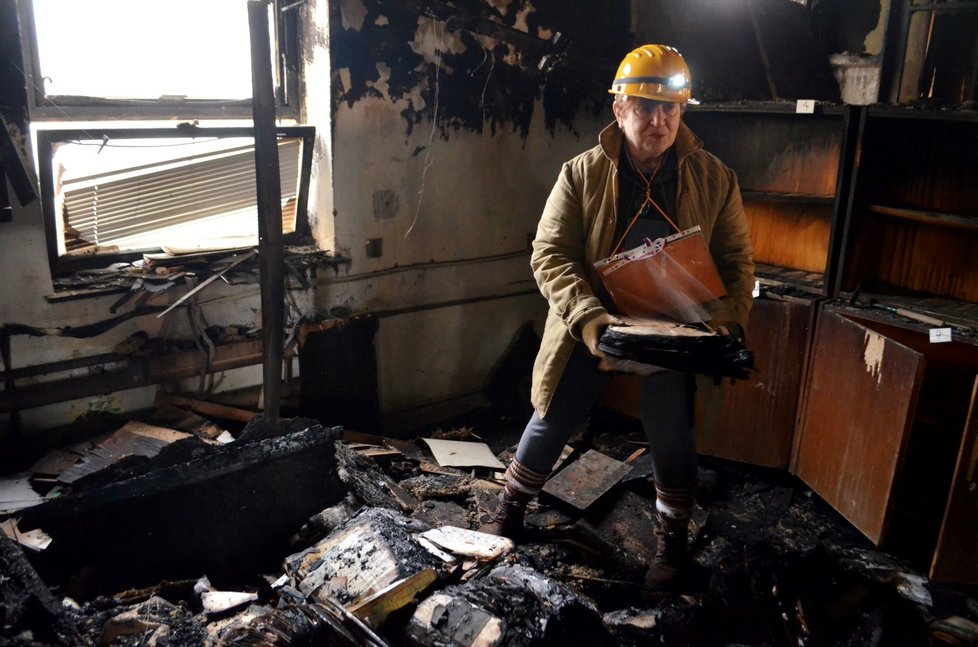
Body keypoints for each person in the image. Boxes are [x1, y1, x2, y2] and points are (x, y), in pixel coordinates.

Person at [480, 44, 755, 589]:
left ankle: (671, 547)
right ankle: (509, 510)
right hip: (596, 323)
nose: (658, 121)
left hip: (674, 327)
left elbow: (737, 262)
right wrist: (589, 322)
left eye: (670, 109)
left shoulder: (715, 178)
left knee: (672, 432)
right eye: (645, 107)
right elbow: (549, 254)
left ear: (682, 112)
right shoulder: (581, 174)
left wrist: (724, 324)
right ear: (619, 108)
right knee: (553, 415)